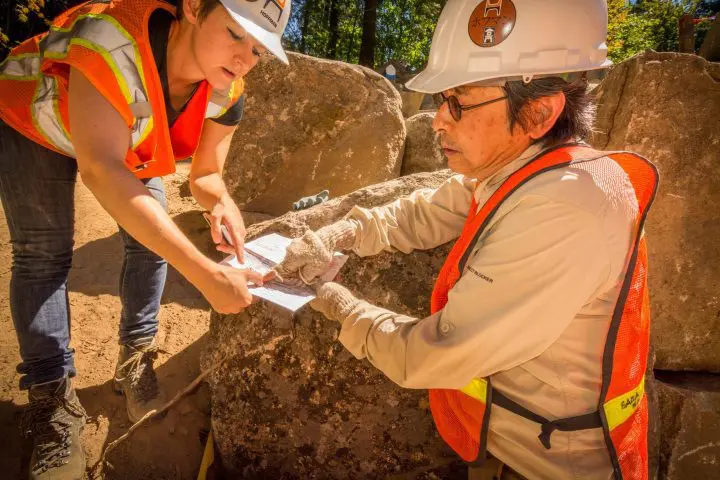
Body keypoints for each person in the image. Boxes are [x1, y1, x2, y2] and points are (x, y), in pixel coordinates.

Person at [274, 1, 658, 479]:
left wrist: (335, 303)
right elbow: (427, 210)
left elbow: (433, 354)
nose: (438, 120)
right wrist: (344, 232)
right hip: (521, 443)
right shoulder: (525, 169)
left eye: (459, 101)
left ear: (538, 113)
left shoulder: (566, 207)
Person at [0, 0, 291, 477]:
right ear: (195, 7)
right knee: (42, 256)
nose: (244, 59)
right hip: (37, 123)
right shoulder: (111, 40)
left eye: (258, 49)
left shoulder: (228, 88)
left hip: (123, 136)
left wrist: (221, 201)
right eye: (236, 33)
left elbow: (207, 173)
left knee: (151, 242)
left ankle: (134, 356)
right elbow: (100, 167)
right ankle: (51, 399)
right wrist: (205, 275)